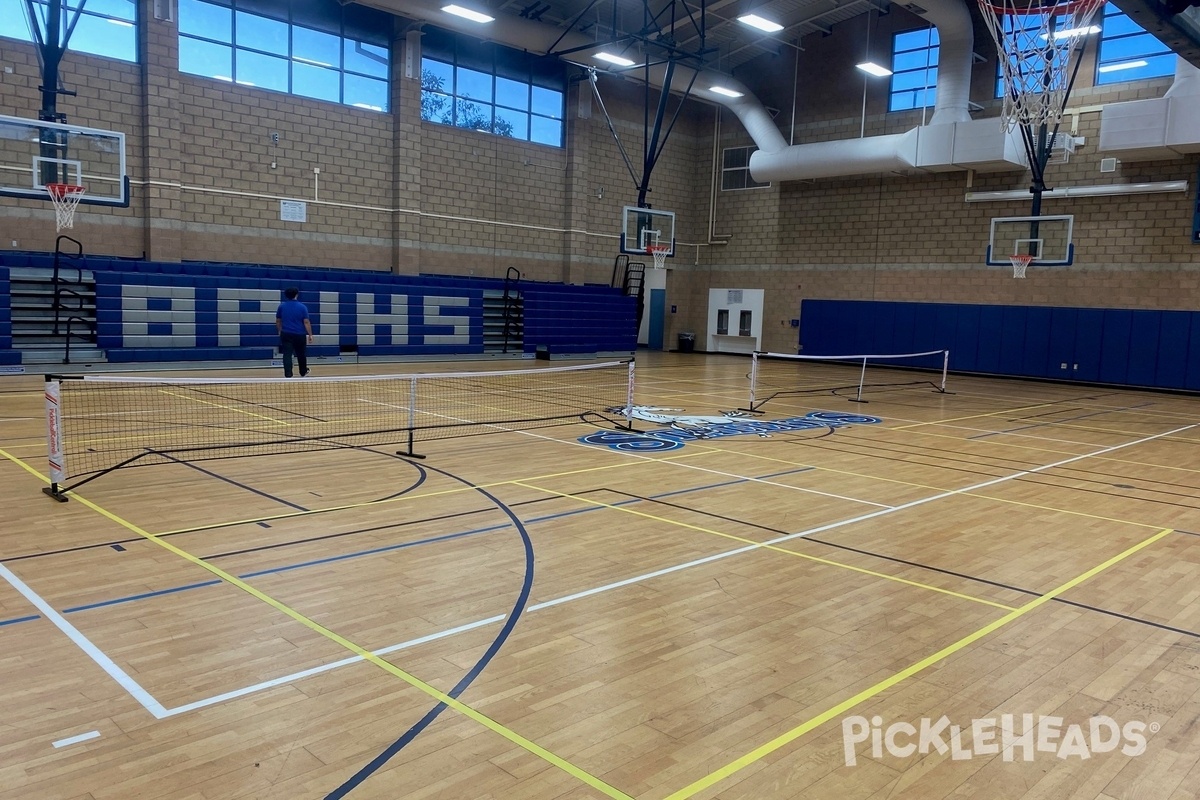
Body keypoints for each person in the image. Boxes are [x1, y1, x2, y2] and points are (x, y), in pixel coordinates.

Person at [275, 287, 313, 377]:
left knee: (287, 354)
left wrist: (279, 330)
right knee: (301, 354)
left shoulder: (282, 306)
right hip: (300, 334)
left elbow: (278, 321)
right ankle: (303, 371)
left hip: (286, 333)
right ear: (296, 294)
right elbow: (306, 322)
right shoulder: (302, 307)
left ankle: (288, 373)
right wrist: (310, 334)